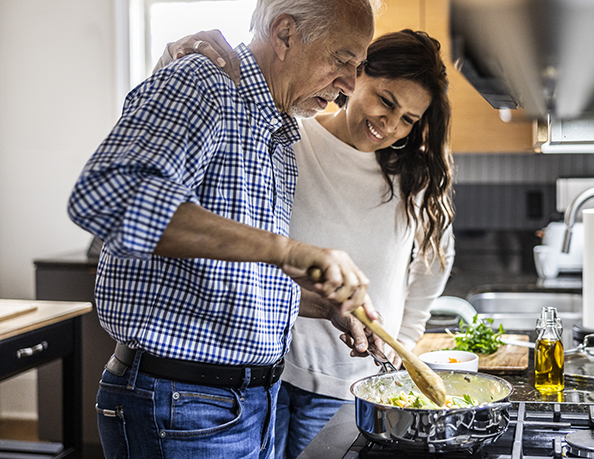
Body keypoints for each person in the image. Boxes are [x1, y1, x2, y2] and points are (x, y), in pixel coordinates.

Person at [66, 1, 379, 458]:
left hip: (249, 402)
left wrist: (323, 304)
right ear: (285, 33)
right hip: (183, 405)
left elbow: (230, 274)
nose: (350, 84)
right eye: (342, 60)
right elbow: (109, 196)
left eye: (358, 65)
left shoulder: (276, 129)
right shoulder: (203, 82)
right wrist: (289, 251)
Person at [162, 28, 455, 458]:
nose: (389, 125)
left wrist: (404, 341)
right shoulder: (290, 138)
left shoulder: (416, 176)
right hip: (265, 374)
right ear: (356, 76)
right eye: (385, 100)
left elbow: (434, 265)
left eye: (409, 119)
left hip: (354, 382)